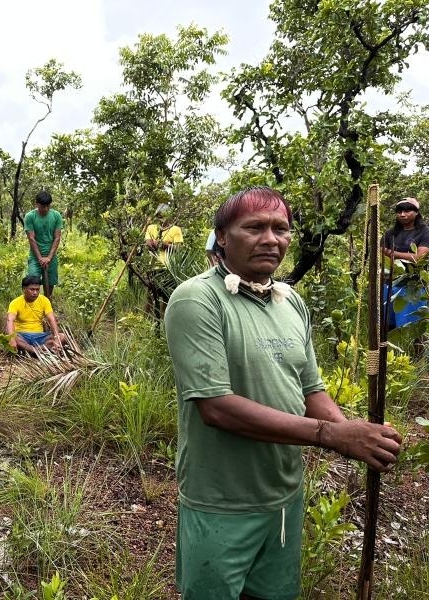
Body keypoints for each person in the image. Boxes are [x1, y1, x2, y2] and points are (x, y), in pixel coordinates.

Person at [164, 187, 402, 600]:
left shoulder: (290, 301)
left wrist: (357, 437)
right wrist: (330, 436)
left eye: (281, 229)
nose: (270, 239)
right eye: (254, 227)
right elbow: (216, 407)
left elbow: (311, 388)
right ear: (222, 236)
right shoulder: (197, 300)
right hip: (220, 502)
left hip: (284, 498)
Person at [382, 197, 429, 329]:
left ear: (416, 212)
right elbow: (380, 256)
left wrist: (391, 253)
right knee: (388, 327)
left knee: (415, 328)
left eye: (407, 211)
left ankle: (417, 350)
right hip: (390, 284)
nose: (402, 214)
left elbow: (418, 258)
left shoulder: (425, 232)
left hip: (414, 286)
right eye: (399, 211)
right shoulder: (390, 234)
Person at [6, 275, 67, 356]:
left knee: (62, 337)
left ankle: (31, 351)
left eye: (37, 289)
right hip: (22, 336)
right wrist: (12, 339)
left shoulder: (44, 300)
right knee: (10, 338)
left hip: (40, 337)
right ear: (24, 289)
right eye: (32, 289)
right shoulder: (15, 302)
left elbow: (51, 319)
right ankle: (37, 351)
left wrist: (56, 337)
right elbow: (10, 320)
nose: (35, 292)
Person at [24, 191, 63, 298]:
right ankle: (33, 307)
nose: (45, 209)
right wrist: (40, 258)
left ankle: (47, 305)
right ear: (36, 204)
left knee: (49, 285)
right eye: (42, 206)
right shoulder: (30, 216)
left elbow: (57, 238)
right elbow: (31, 238)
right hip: (35, 257)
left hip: (51, 257)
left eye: (48, 206)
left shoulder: (56, 216)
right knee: (32, 283)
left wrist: (49, 257)